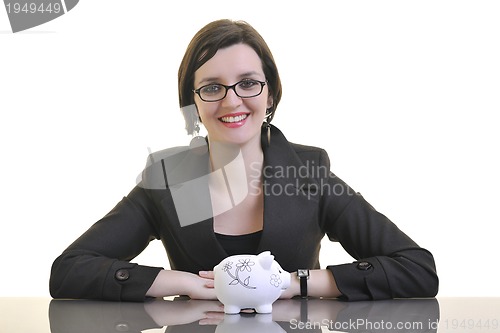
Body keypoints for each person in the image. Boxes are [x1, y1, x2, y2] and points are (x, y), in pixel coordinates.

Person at [49, 19, 438, 302]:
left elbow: (417, 269)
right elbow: (69, 270)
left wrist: (296, 284)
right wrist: (181, 282)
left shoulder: (307, 171)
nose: (232, 101)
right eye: (212, 87)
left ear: (269, 95)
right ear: (193, 105)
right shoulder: (171, 177)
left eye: (248, 83)